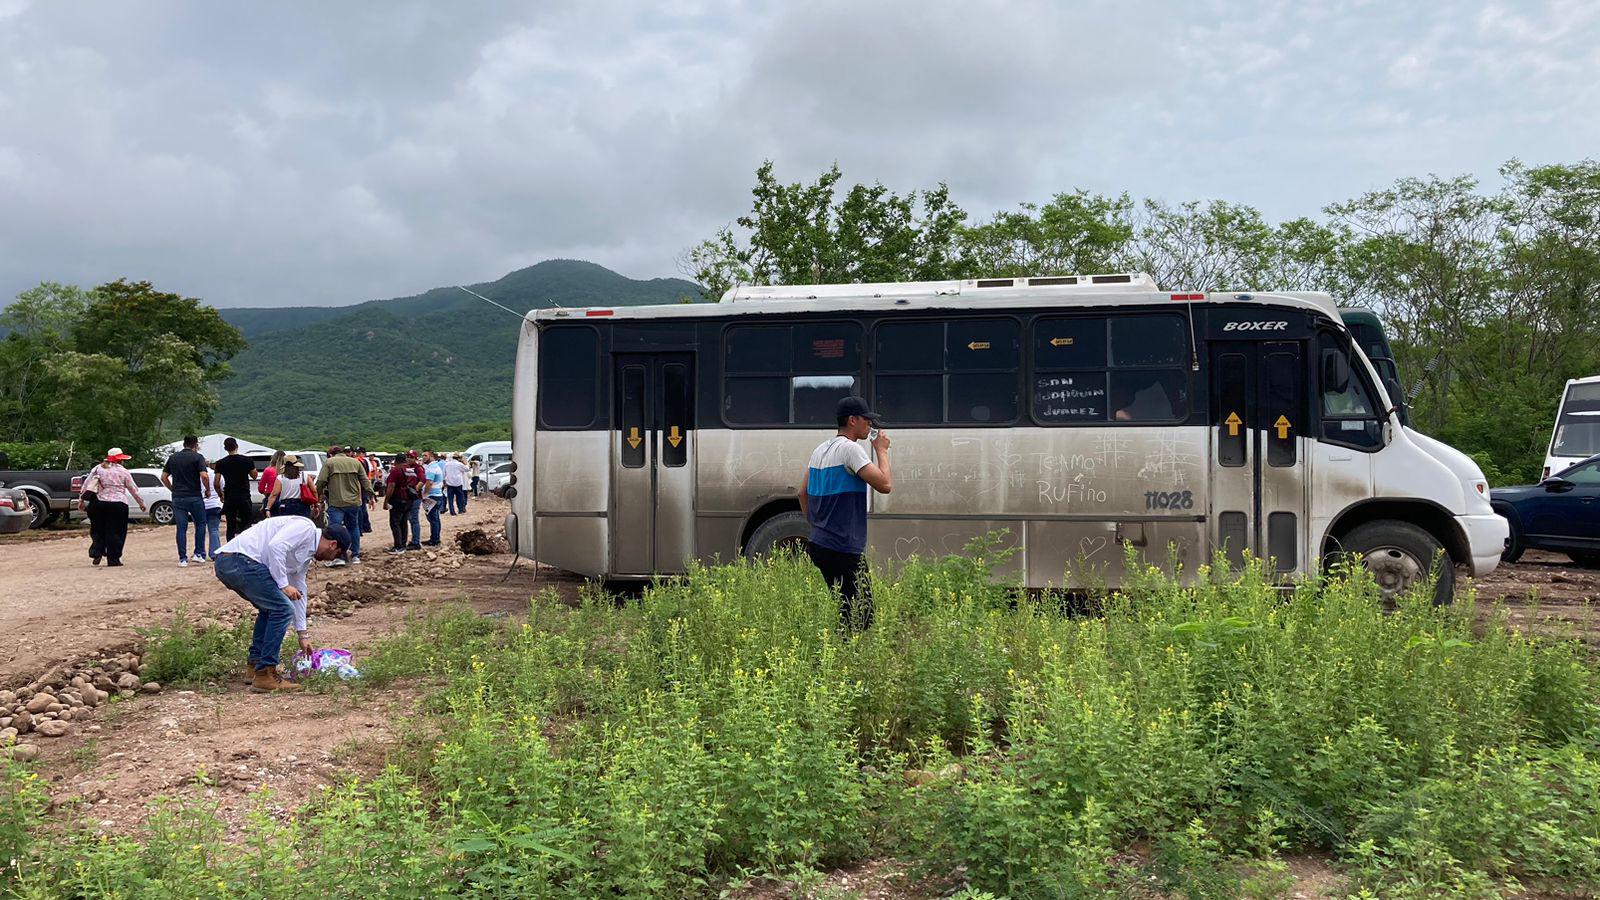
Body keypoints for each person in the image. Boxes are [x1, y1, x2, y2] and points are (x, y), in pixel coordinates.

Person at [213, 517, 349, 694]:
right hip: (238, 561)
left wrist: (302, 634)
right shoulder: (305, 528)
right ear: (333, 545)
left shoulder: (305, 558)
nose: (330, 559)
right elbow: (275, 546)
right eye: (337, 555)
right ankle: (265, 674)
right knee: (282, 609)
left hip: (234, 563)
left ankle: (254, 667)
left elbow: (300, 591)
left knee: (271, 609)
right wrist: (284, 585)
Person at [797, 397, 893, 631]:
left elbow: (802, 493)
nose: (870, 425)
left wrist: (817, 525)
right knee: (863, 613)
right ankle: (849, 659)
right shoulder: (851, 450)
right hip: (843, 547)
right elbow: (885, 485)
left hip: (820, 544)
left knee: (846, 607)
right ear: (852, 420)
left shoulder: (820, 450)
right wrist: (881, 451)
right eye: (867, 420)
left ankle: (841, 655)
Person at [82, 448, 145, 566]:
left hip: (98, 503)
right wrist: (140, 503)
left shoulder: (97, 469)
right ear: (120, 460)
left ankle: (97, 551)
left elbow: (87, 484)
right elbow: (132, 488)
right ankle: (113, 558)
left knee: (98, 529)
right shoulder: (123, 471)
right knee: (116, 531)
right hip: (118, 504)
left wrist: (81, 499)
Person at [160, 434, 212, 567]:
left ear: (184, 443)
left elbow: (164, 477)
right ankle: (198, 553)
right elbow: (204, 475)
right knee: (200, 524)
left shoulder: (173, 458)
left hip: (178, 496)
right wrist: (207, 489)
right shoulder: (198, 457)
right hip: (194, 495)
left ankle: (182, 558)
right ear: (196, 445)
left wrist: (172, 489)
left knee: (181, 528)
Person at [316, 445, 368, 566]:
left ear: (330, 454)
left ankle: (340, 557)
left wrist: (319, 494)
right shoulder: (355, 462)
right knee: (353, 527)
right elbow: (364, 480)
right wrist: (370, 495)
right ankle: (355, 555)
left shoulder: (329, 462)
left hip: (336, 502)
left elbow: (321, 481)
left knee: (335, 529)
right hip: (353, 502)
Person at [212, 437, 257, 541]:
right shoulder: (247, 460)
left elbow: (216, 482)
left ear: (225, 448)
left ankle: (230, 549)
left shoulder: (220, 463)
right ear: (237, 446)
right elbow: (254, 475)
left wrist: (220, 494)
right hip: (244, 495)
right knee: (246, 523)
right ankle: (246, 547)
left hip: (229, 496)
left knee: (231, 525)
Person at [383, 449, 427, 552]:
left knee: (395, 523)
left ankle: (398, 546)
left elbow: (391, 486)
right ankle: (403, 544)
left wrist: (386, 500)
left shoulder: (396, 470)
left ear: (396, 461)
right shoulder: (410, 470)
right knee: (404, 522)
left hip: (398, 498)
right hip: (409, 499)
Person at [266, 454, 313, 519]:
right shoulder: (304, 475)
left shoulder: (281, 477)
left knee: (286, 526)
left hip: (286, 505)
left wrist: (268, 508)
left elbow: (274, 494)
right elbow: (314, 490)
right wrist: (316, 505)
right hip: (302, 504)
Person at [201, 463, 225, 561]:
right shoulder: (216, 474)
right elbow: (222, 486)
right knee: (214, 529)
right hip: (215, 504)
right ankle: (215, 553)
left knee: (200, 530)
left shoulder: (196, 475)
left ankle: (200, 553)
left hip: (201, 504)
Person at [421, 450, 445, 546]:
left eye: (425, 456)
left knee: (433, 519)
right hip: (437, 495)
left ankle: (434, 540)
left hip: (432, 496)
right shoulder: (435, 466)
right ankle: (435, 538)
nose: (423, 457)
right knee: (435, 519)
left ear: (431, 456)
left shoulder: (431, 468)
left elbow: (429, 482)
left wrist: (425, 494)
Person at [258, 450, 284, 517]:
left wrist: (265, 493)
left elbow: (261, 489)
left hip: (271, 498)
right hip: (286, 499)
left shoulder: (268, 470)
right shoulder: (286, 471)